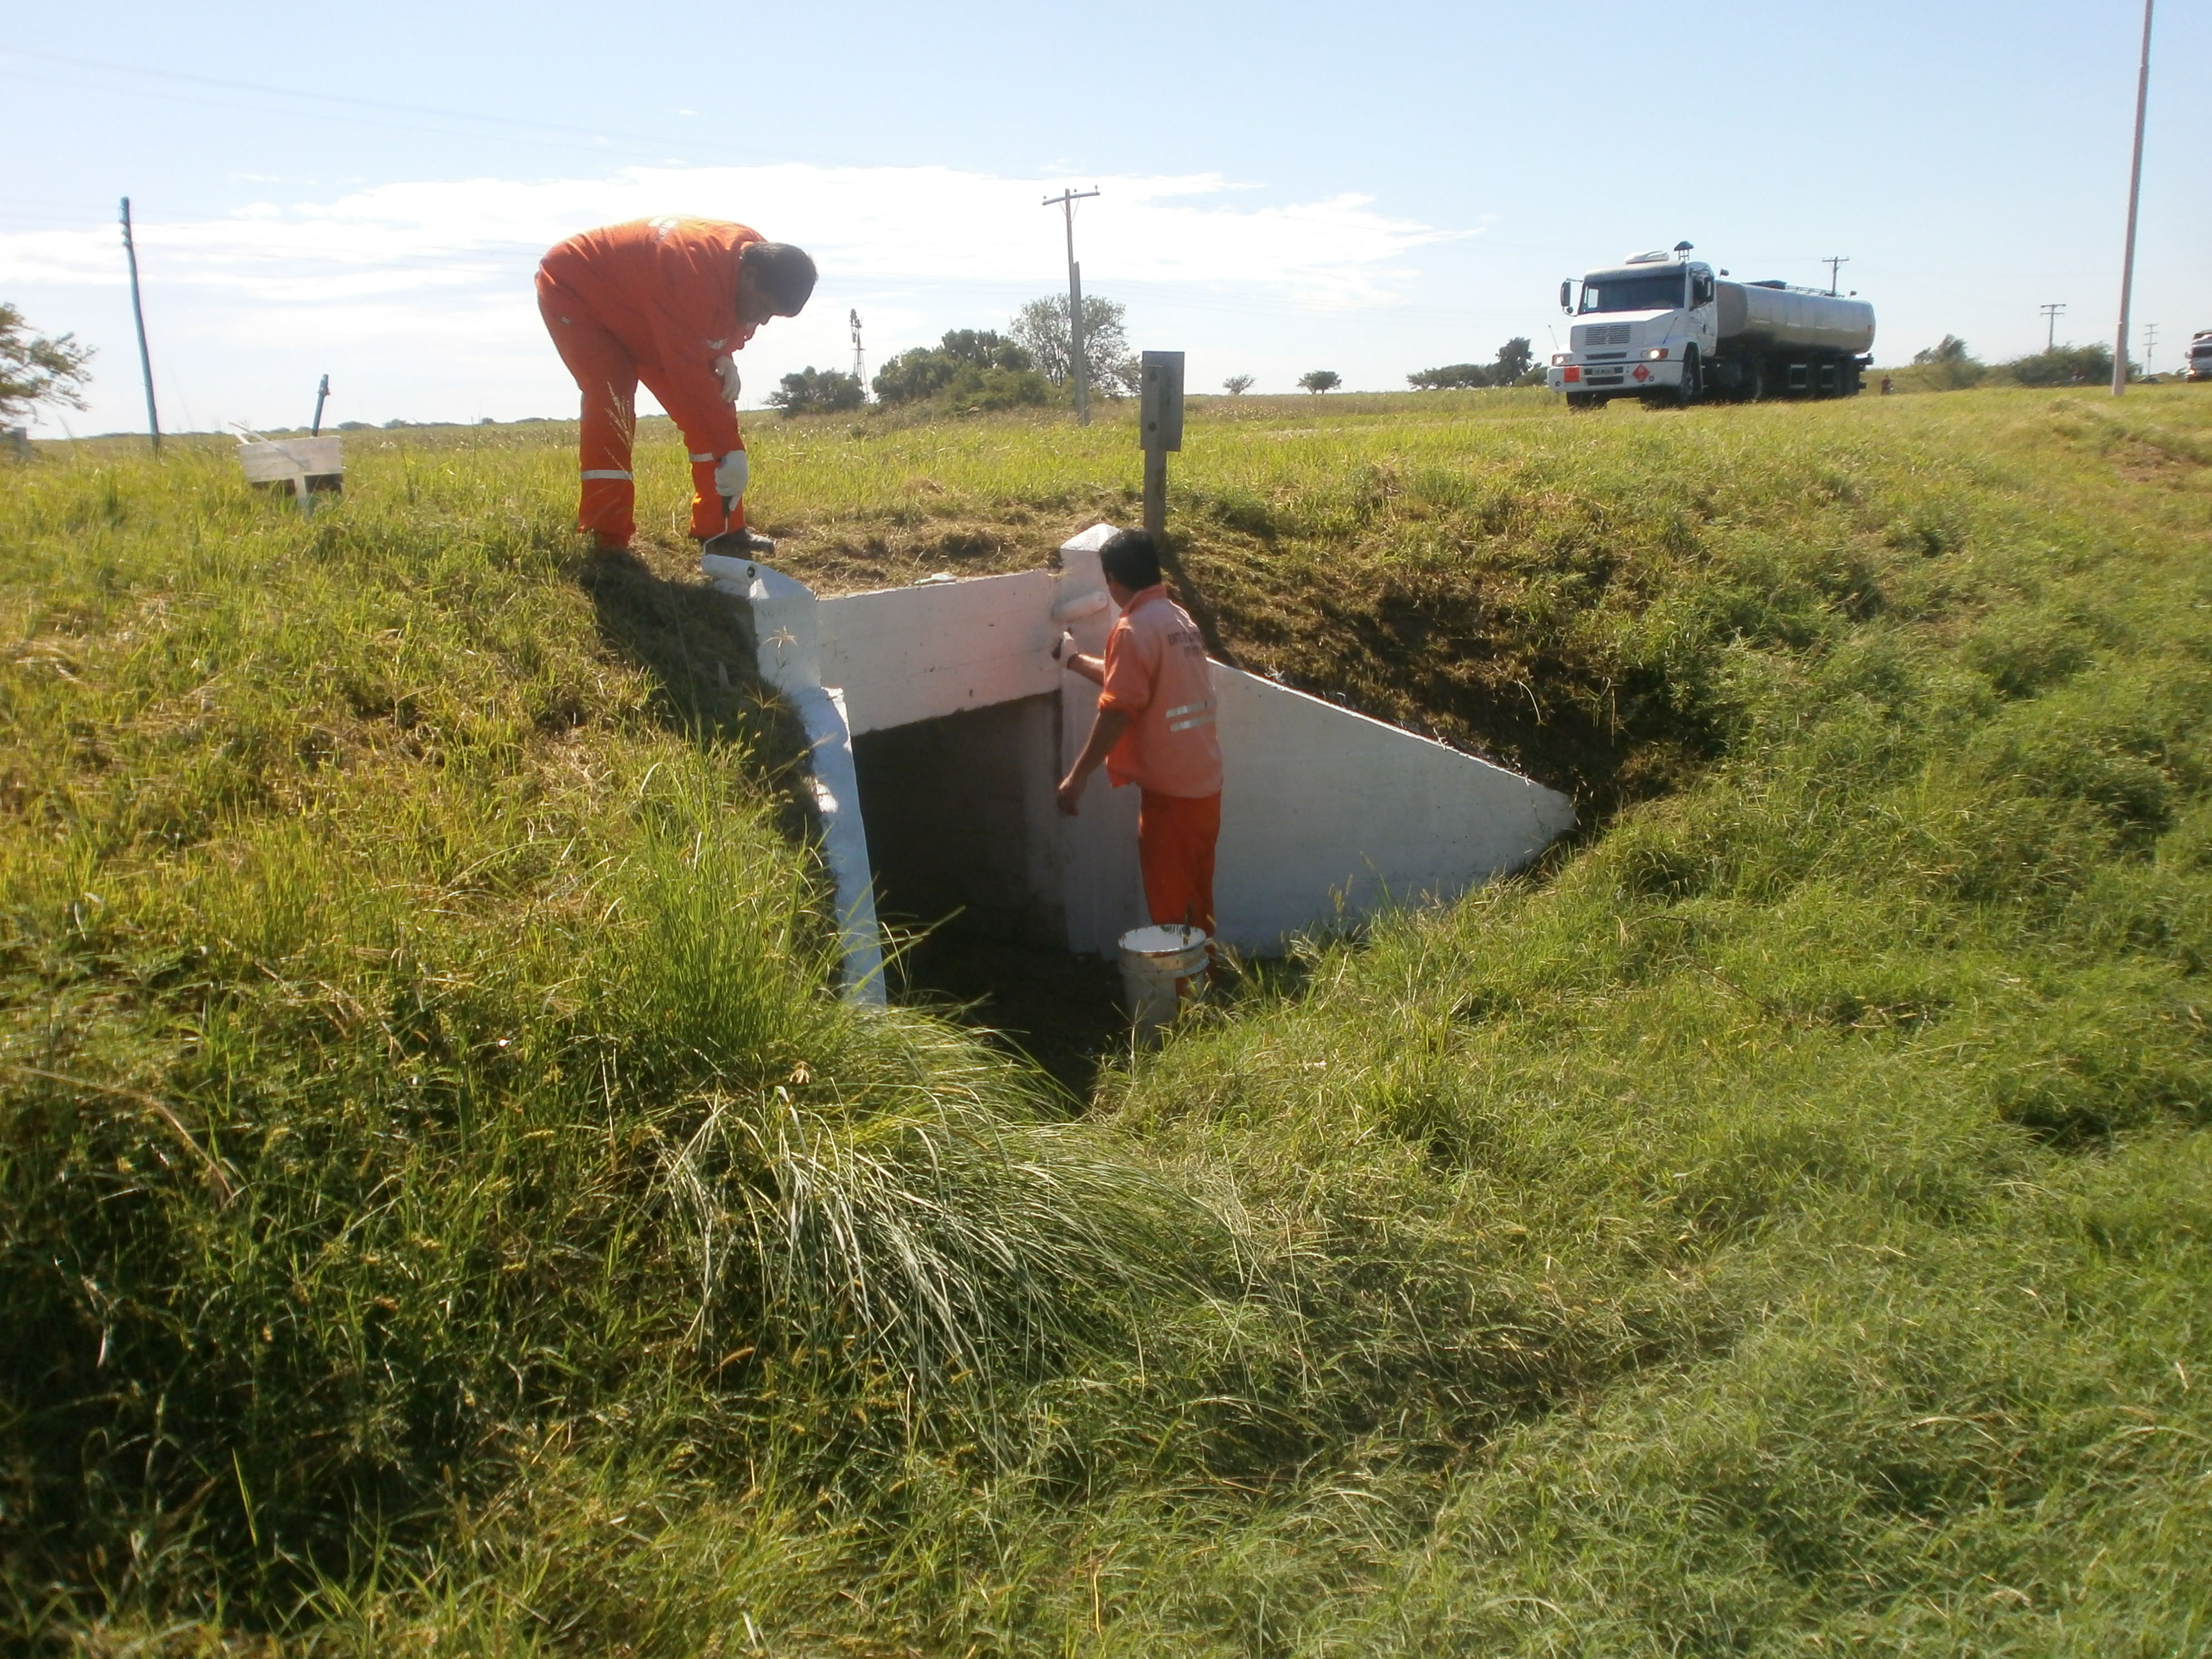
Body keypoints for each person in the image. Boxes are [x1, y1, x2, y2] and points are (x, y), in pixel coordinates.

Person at [536, 217, 816, 555]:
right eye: (764, 308)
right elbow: (691, 384)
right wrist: (732, 452)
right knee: (612, 404)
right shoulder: (692, 273)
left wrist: (726, 351)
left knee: (716, 393)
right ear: (750, 275)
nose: (762, 320)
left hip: (647, 302)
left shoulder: (755, 259)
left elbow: (724, 320)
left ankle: (721, 531)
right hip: (578, 290)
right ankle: (604, 537)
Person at [1056, 529, 1223, 938]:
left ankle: (1185, 1000)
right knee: (1198, 899)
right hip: (1204, 786)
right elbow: (1129, 682)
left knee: (1172, 910)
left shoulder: (1133, 629)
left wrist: (1076, 780)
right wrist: (1074, 660)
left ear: (1112, 579)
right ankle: (1206, 986)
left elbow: (1118, 711)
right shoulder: (1177, 619)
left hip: (1171, 797)